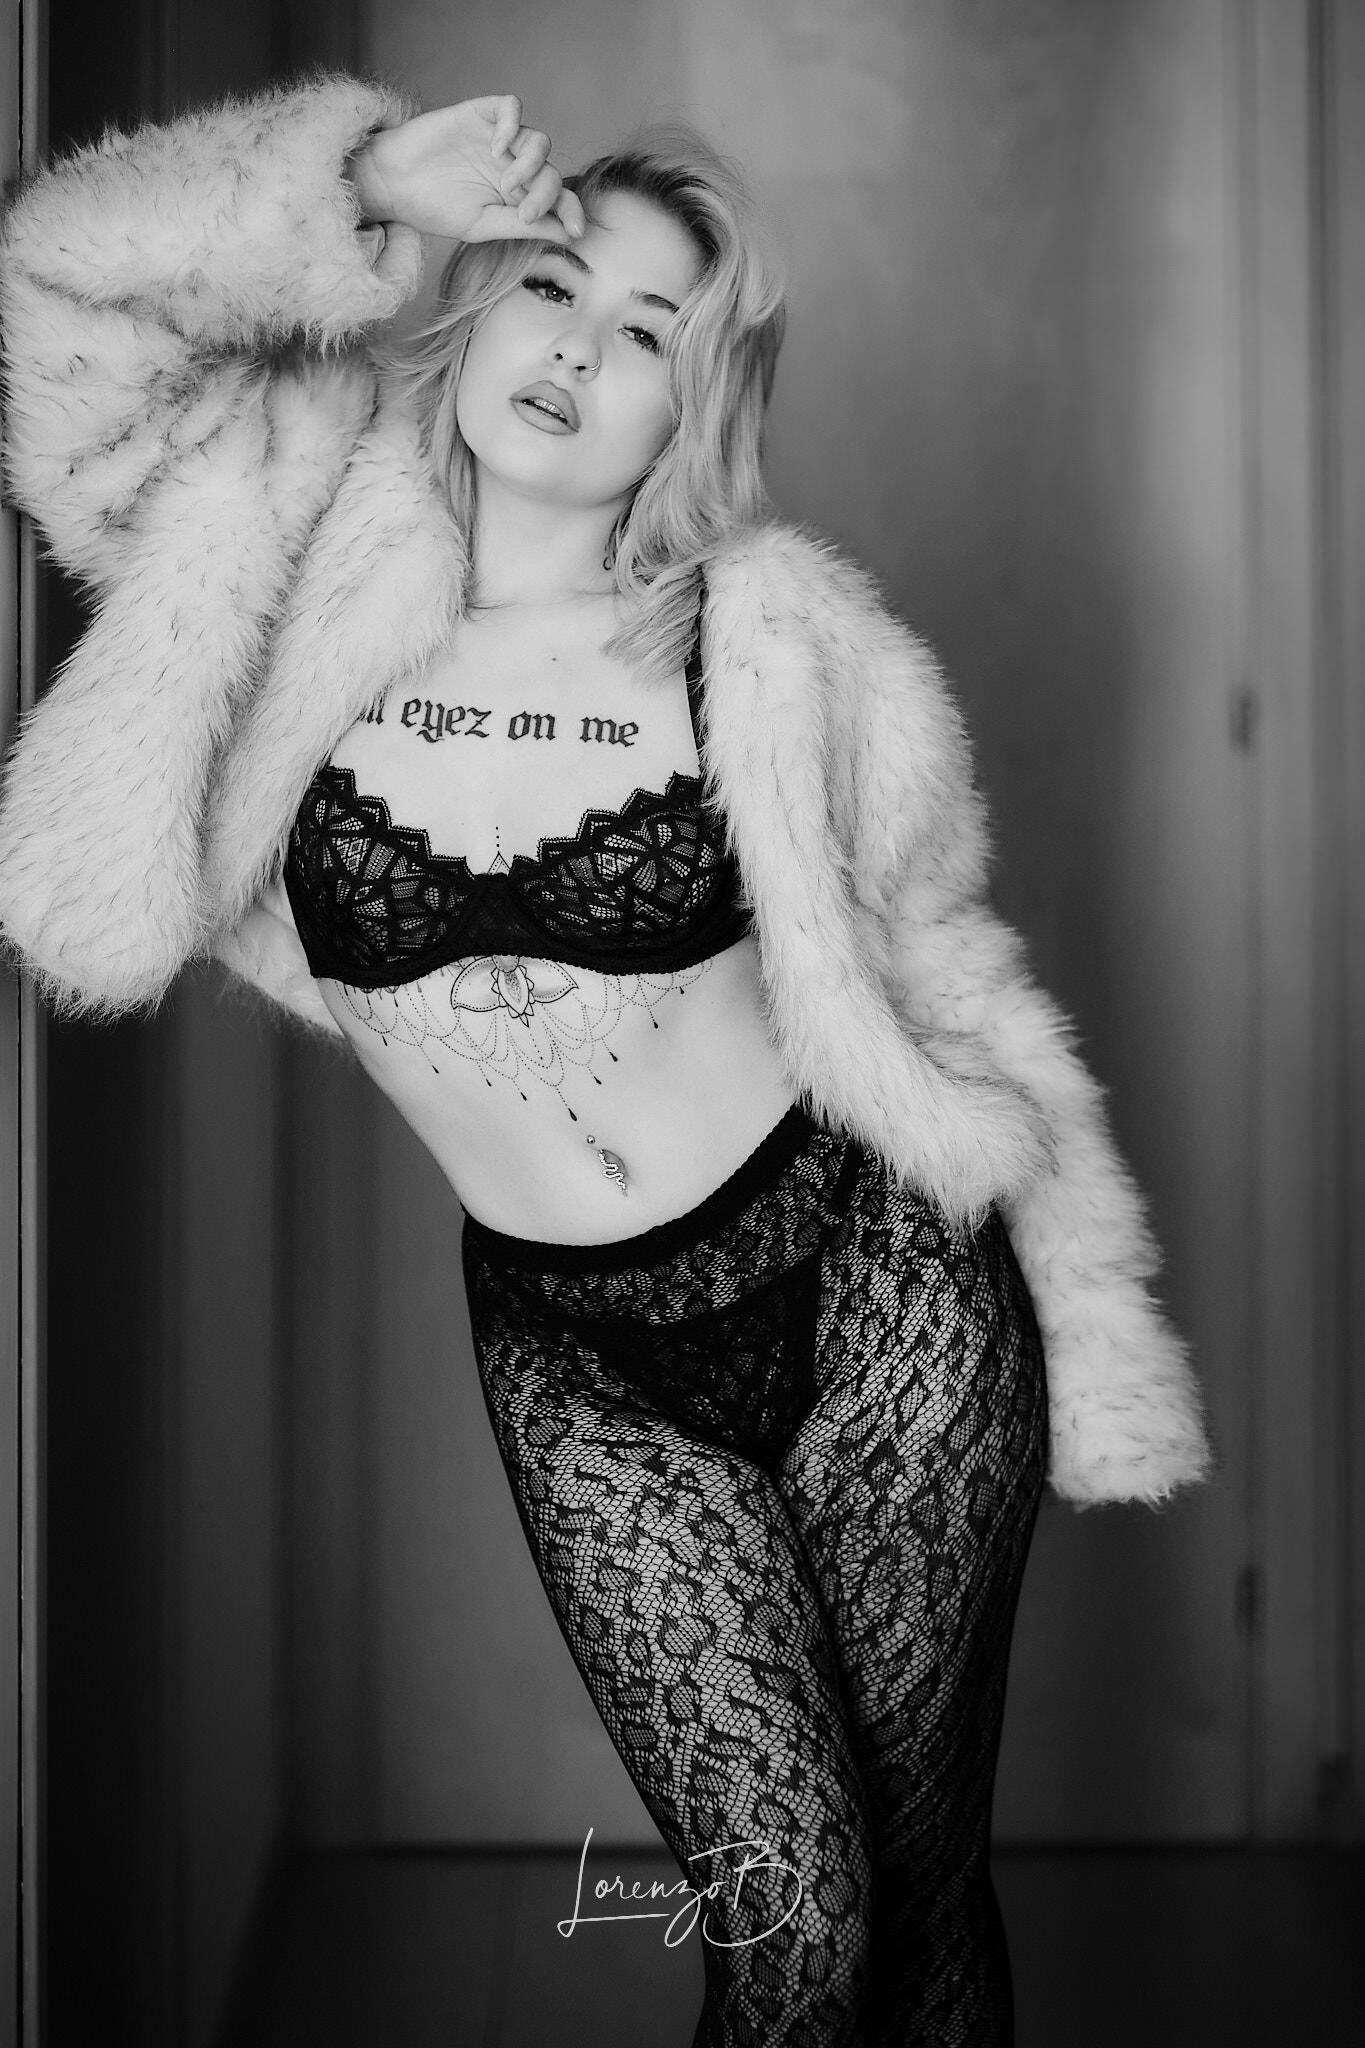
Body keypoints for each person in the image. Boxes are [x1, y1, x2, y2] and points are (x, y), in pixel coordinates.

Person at [0, 74, 1210, 2044]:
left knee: (915, 1908)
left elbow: (942, 978)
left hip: (875, 1282)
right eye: (552, 286)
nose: (575, 349)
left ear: (691, 404)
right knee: (792, 1926)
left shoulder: (786, 649)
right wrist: (360, 178)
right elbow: (53, 287)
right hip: (577, 1350)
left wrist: (1084, 1305)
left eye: (648, 331)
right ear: (475, 303)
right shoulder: (271, 546)